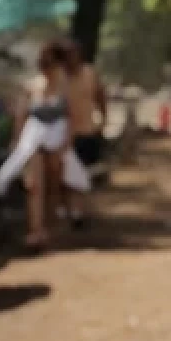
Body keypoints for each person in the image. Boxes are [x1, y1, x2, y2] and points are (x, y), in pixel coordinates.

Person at [0, 41, 91, 249]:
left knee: (54, 183)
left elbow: (72, 117)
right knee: (34, 185)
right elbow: (22, 116)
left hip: (57, 141)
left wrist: (65, 143)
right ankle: (36, 229)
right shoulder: (32, 87)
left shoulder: (65, 89)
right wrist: (17, 141)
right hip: (34, 140)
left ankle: (51, 223)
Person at [63, 39, 106, 228]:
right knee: (69, 175)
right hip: (65, 136)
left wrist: (103, 120)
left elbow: (101, 97)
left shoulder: (90, 74)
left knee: (83, 173)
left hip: (86, 131)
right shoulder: (60, 77)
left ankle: (79, 211)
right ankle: (72, 211)